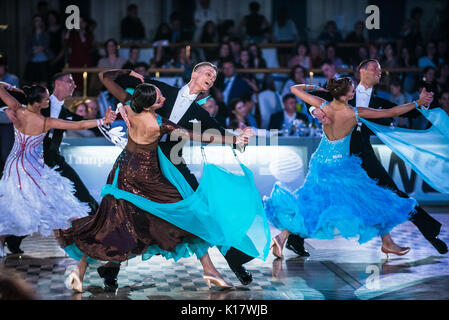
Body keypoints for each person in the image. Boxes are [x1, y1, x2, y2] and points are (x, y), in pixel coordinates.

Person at [55, 71, 265, 293]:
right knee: (181, 216)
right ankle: (209, 270)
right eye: (158, 98)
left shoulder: (130, 107)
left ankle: (83, 271)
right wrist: (233, 137)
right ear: (194, 74)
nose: (162, 99)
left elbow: (105, 78)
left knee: (117, 221)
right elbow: (197, 136)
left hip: (126, 170)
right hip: (148, 175)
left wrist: (234, 138)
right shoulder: (158, 120)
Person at [264, 78, 434, 259]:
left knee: (309, 204)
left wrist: (314, 87)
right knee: (372, 200)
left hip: (319, 163)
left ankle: (281, 238)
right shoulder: (354, 113)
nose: (354, 94)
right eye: (352, 91)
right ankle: (387, 242)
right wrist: (418, 102)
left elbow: (294, 88)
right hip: (341, 167)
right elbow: (392, 111)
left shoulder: (323, 104)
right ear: (345, 96)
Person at [300, 59, 448, 255]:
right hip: (338, 158)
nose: (379, 72)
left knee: (392, 194)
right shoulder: (344, 88)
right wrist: (314, 111)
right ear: (362, 71)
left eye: (380, 69)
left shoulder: (379, 101)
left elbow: (402, 113)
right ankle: (293, 236)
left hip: (364, 156)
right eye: (375, 68)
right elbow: (310, 97)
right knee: (323, 198)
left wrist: (422, 103)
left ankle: (429, 233)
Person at [0, 83, 116, 257]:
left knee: (11, 202)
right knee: (52, 201)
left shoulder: (17, 109)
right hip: (31, 167)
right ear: (38, 103)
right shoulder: (44, 122)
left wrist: (10, 87)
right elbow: (80, 125)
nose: (49, 101)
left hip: (13, 164)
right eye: (46, 99)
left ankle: (3, 243)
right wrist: (103, 120)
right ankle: (79, 243)